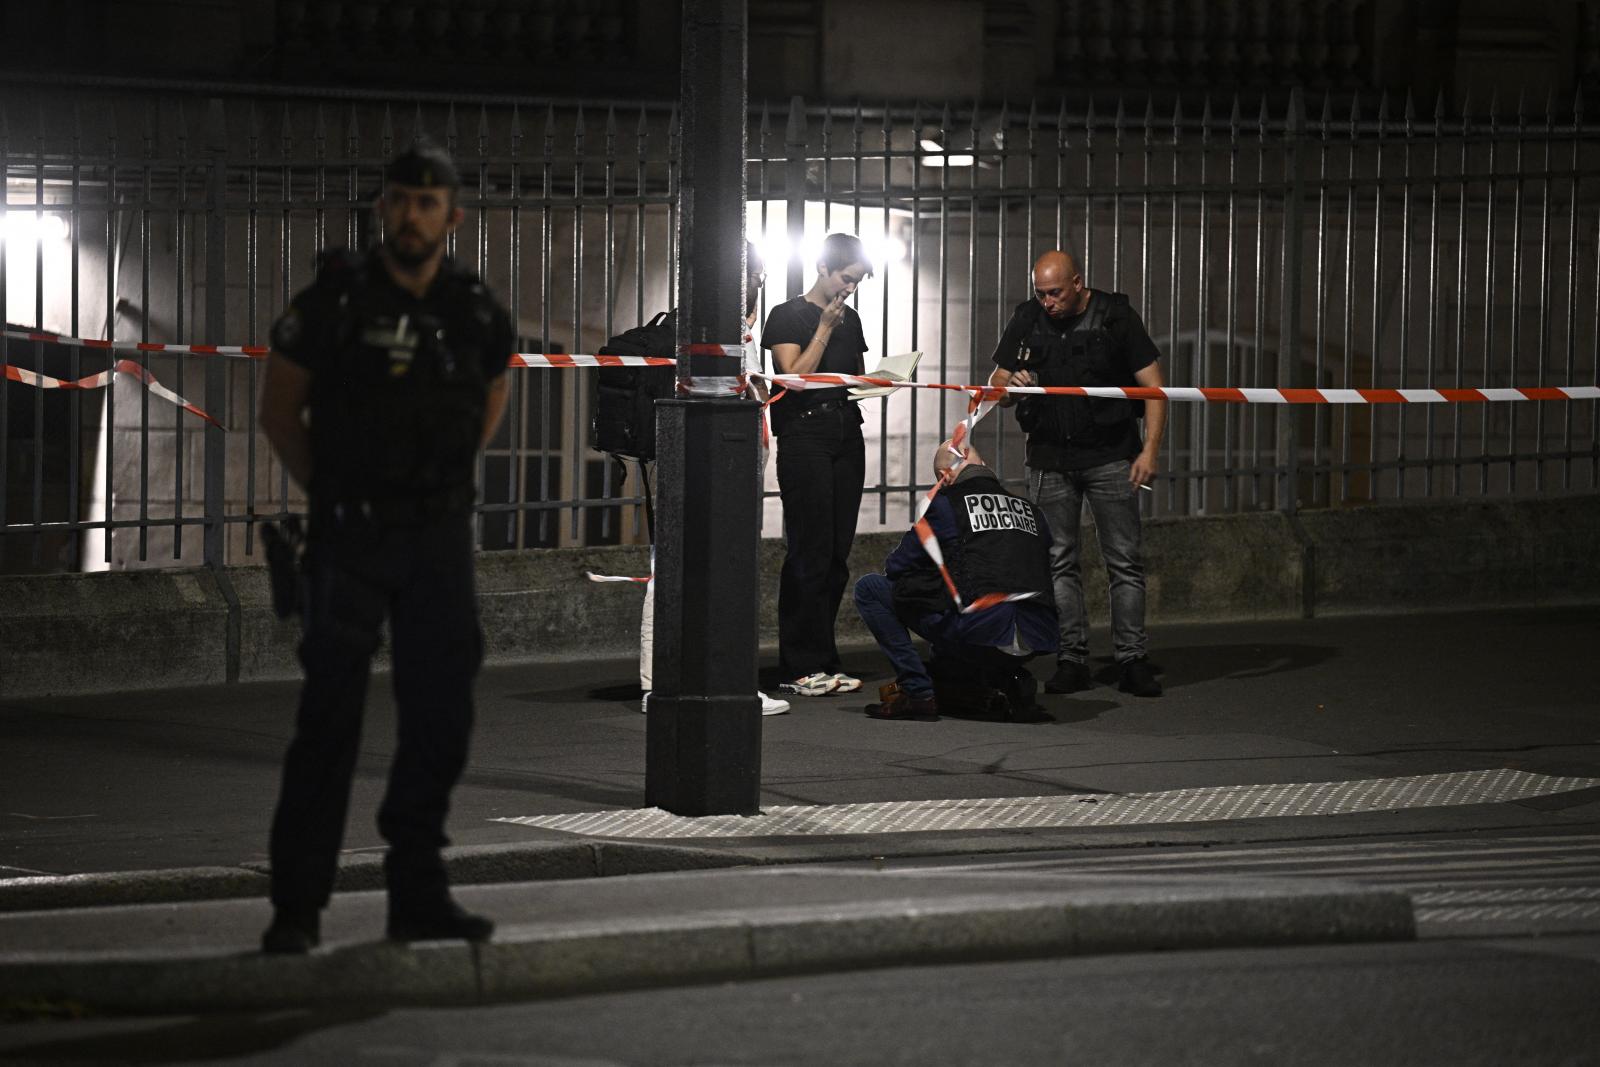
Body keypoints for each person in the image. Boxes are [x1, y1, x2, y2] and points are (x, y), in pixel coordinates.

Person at [257, 141, 513, 954]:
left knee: (440, 719)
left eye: (427, 203)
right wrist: (333, 495)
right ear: (382, 209)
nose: (412, 215)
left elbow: (490, 400)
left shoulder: (473, 309)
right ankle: (297, 907)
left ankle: (418, 895)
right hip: (352, 534)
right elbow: (278, 412)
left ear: (452, 216)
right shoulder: (332, 302)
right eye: (400, 200)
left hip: (435, 536)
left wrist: (430, 488)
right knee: (327, 719)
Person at [987, 249, 1168, 698]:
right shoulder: (1026, 318)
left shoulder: (1115, 316)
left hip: (1110, 455)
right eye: (1041, 293)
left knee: (1124, 562)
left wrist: (1150, 450)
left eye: (1055, 293)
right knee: (1059, 562)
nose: (1048, 302)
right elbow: (995, 384)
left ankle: (1132, 659)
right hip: (1049, 458)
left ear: (1078, 283)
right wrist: (1011, 388)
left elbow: (1155, 388)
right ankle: (1072, 659)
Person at [640, 242, 790, 716]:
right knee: (720, 567)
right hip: (725, 454)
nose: (757, 289)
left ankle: (658, 683)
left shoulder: (695, 324)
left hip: (707, 451)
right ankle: (719, 684)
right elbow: (741, 393)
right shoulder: (723, 330)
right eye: (756, 279)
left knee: (670, 564)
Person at [852, 439, 1057, 720]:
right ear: (984, 465)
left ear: (943, 477)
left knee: (871, 588)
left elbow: (898, 565)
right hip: (1037, 634)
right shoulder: (1031, 510)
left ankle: (918, 693)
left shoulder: (946, 505)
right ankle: (1005, 677)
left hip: (984, 631)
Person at [762, 233, 874, 699]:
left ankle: (824, 656)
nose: (850, 289)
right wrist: (824, 327)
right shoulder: (787, 315)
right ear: (824, 268)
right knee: (808, 549)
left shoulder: (853, 319)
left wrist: (880, 383)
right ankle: (799, 664)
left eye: (858, 281)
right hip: (805, 433)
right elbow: (795, 378)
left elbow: (849, 378)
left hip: (846, 430)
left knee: (835, 554)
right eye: (846, 279)